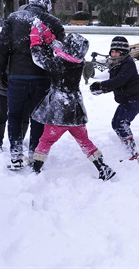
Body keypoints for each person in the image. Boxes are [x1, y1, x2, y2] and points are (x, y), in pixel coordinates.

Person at [29, 25, 116, 181]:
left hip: (59, 112)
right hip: (76, 111)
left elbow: (38, 59)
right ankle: (102, 167)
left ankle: (36, 169)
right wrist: (51, 40)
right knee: (84, 140)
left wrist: (35, 41)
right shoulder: (79, 62)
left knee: (46, 140)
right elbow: (64, 50)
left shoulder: (58, 64)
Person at [0, 0, 65, 170]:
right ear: (46, 6)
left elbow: (2, 46)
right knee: (38, 117)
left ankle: (16, 155)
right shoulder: (54, 23)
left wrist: (1, 70)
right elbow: (62, 52)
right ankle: (35, 154)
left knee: (15, 115)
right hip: (41, 77)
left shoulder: (14, 18)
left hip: (17, 76)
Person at [89, 36, 139, 161]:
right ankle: (126, 145)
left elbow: (120, 80)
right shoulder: (115, 64)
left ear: (124, 52)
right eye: (112, 51)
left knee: (121, 123)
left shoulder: (128, 63)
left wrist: (101, 85)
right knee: (115, 123)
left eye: (117, 52)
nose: (114, 54)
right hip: (126, 100)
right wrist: (102, 89)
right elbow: (114, 83)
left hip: (135, 99)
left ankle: (133, 151)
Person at [0, 37, 28, 157]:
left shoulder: (26, 35)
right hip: (4, 84)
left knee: (25, 113)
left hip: (23, 83)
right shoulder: (4, 36)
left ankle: (19, 142)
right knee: (3, 112)